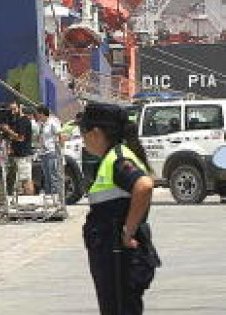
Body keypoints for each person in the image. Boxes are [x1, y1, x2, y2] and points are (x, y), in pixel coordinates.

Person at [79, 102, 161, 315]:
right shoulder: (112, 157)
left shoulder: (117, 159)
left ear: (96, 132)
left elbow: (143, 186)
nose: (83, 139)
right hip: (114, 257)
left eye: (83, 132)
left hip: (119, 257)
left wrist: (127, 232)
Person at [0, 98, 34, 196]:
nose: (12, 112)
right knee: (17, 180)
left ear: (20, 108)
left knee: (26, 179)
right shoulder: (14, 121)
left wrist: (8, 130)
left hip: (23, 154)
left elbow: (20, 138)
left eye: (14, 109)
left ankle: (29, 199)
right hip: (16, 154)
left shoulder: (23, 120)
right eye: (11, 110)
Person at [34, 106, 64, 196]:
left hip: (52, 151)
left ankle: (56, 195)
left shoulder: (52, 122)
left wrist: (61, 149)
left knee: (53, 174)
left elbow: (60, 135)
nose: (36, 115)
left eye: (37, 113)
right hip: (43, 152)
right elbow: (39, 137)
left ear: (42, 113)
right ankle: (49, 194)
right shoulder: (41, 124)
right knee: (46, 176)